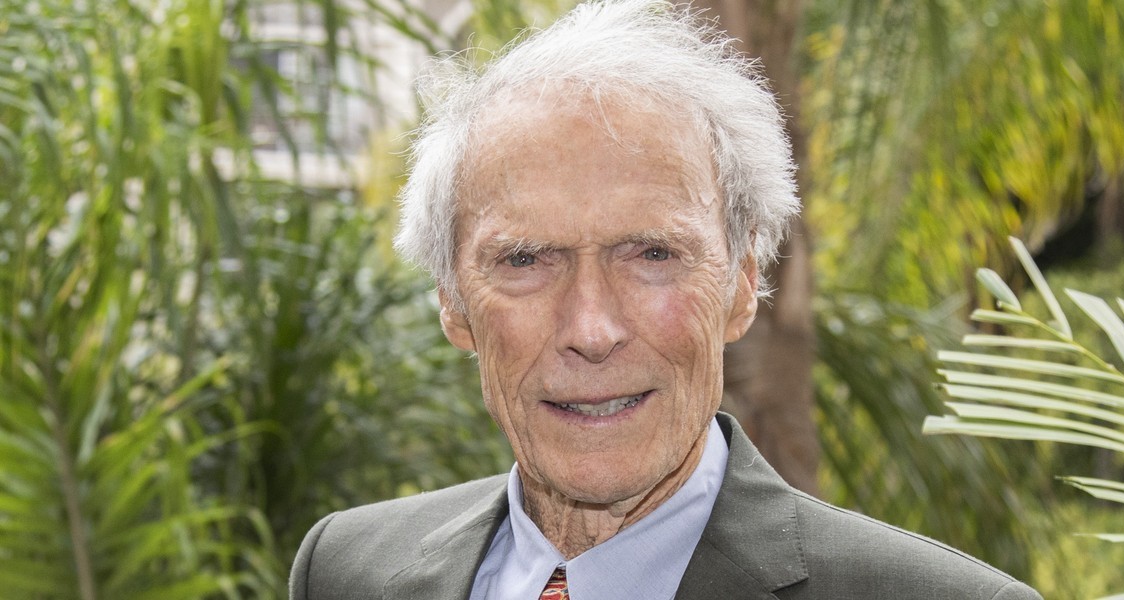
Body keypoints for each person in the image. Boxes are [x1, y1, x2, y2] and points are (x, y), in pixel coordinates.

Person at [289, 1, 1042, 598]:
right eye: (525, 260)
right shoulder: (347, 571)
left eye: (652, 255)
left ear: (741, 284)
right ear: (453, 301)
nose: (591, 329)